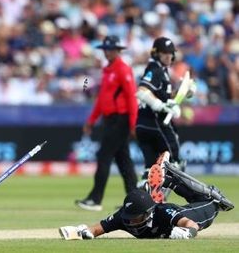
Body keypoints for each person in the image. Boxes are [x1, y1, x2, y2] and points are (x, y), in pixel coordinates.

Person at [60, 151, 234, 240]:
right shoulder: (125, 216)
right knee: (192, 198)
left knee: (208, 201)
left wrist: (188, 232)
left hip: (197, 212)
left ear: (148, 213)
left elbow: (191, 224)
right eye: (129, 218)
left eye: (135, 219)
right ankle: (167, 180)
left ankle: (211, 194)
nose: (130, 223)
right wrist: (80, 232)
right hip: (176, 210)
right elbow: (97, 228)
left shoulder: (163, 212)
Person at [76, 35, 138, 211]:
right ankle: (134, 200)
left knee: (104, 156)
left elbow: (131, 98)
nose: (107, 52)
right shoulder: (108, 70)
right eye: (105, 49)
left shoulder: (123, 70)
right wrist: (91, 120)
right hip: (110, 119)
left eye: (110, 49)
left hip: (121, 119)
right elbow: (102, 100)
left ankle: (95, 199)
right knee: (123, 159)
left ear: (118, 51)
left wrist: (133, 123)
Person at [135, 36, 196, 201]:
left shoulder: (162, 70)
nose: (168, 57)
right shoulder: (154, 69)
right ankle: (158, 202)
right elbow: (142, 91)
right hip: (155, 124)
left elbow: (164, 97)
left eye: (170, 53)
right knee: (174, 164)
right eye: (164, 53)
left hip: (144, 124)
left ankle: (142, 203)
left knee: (150, 168)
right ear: (156, 53)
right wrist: (161, 106)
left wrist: (184, 92)